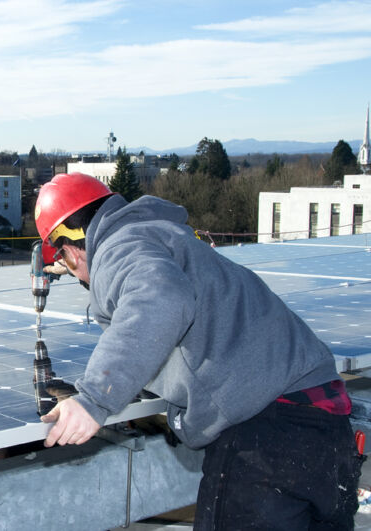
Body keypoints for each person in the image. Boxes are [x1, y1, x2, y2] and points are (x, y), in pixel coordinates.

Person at [35, 172, 362, 529]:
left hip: (267, 437)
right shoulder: (164, 236)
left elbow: (161, 301)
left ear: (72, 242)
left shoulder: (118, 246)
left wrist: (94, 398)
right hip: (325, 425)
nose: (78, 276)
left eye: (65, 261)